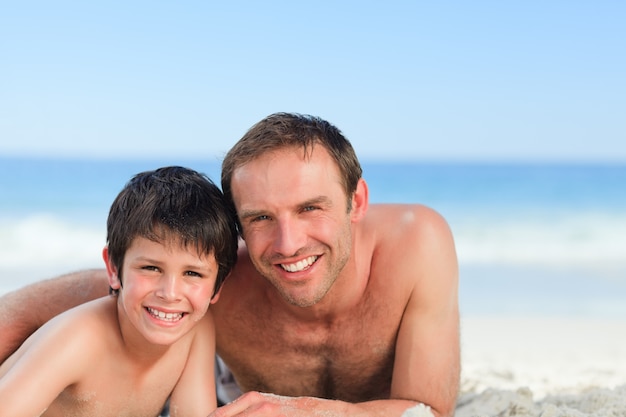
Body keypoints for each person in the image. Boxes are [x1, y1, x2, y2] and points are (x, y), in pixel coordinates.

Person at [0, 113, 460, 417]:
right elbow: (107, 291)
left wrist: (306, 410)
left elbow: (430, 411)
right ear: (239, 227)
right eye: (260, 217)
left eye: (310, 208)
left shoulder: (416, 244)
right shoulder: (213, 279)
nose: (288, 243)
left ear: (355, 201)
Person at [0, 166, 239, 417]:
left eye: (192, 273)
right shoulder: (78, 340)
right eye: (151, 268)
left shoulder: (195, 331)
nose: (170, 293)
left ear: (217, 285)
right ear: (114, 268)